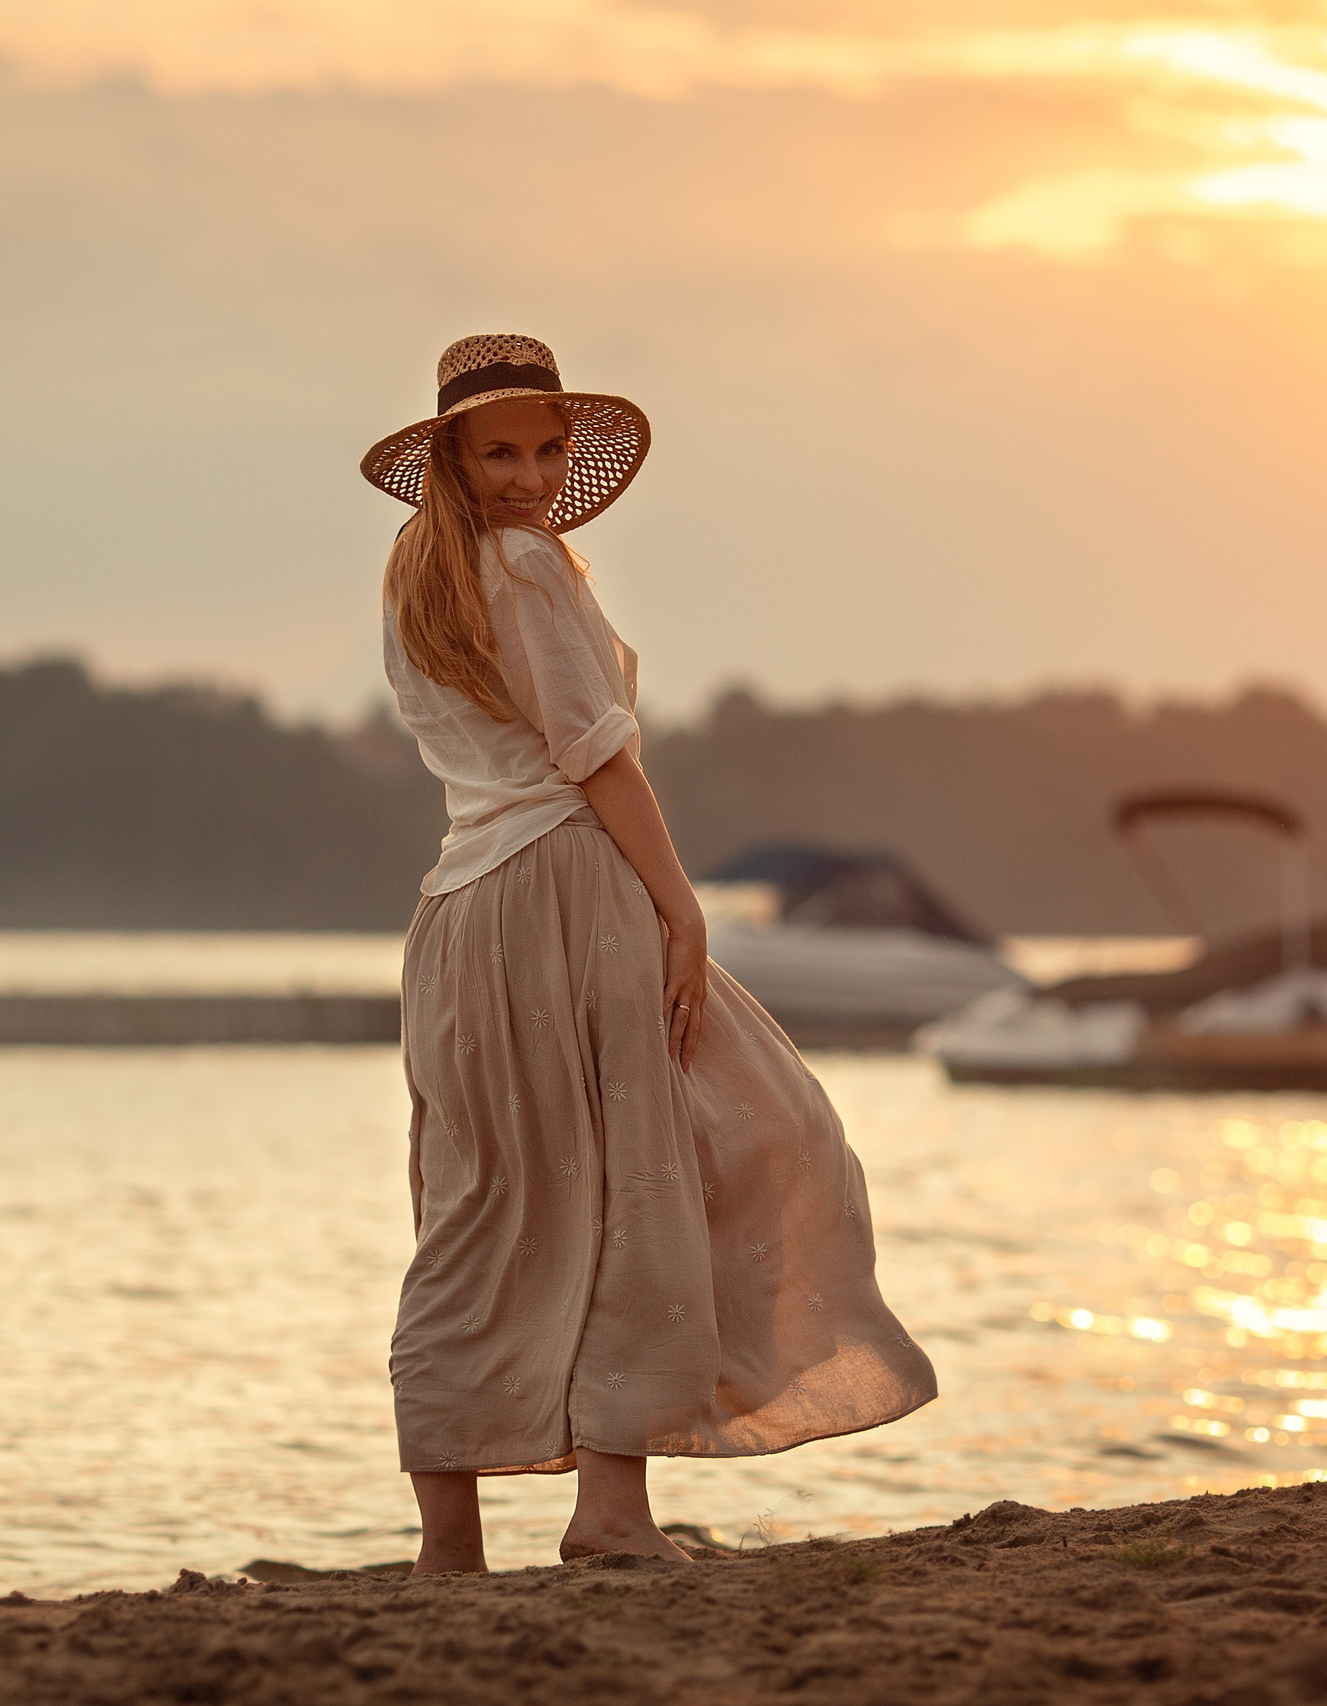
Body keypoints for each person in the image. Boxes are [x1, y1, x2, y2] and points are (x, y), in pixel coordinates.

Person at [361, 334, 938, 1574]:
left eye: (544, 449)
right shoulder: (524, 564)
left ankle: (448, 1544)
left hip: (459, 911)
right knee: (676, 1159)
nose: (527, 477)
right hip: (569, 885)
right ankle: (611, 1512)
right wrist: (681, 908)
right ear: (453, 460)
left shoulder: (419, 577)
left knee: (483, 1202)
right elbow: (598, 758)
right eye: (498, 452)